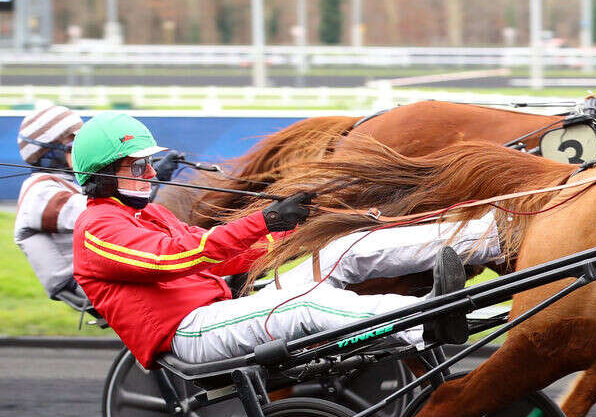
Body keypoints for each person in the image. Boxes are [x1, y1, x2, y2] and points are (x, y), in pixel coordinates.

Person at [70, 112, 486, 368]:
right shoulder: (96, 229)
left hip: (222, 312)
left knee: (343, 248)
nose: (150, 175)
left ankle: (494, 236)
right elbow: (175, 259)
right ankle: (425, 319)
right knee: (306, 303)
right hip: (190, 333)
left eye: (147, 165)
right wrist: (263, 220)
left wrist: (298, 231)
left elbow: (219, 260)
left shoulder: (149, 214)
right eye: (137, 166)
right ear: (104, 173)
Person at [13, 103, 185, 300]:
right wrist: (152, 177)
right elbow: (102, 213)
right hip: (86, 279)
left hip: (104, 263)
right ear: (47, 150)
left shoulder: (62, 182)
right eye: (71, 138)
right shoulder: (38, 192)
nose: (80, 142)